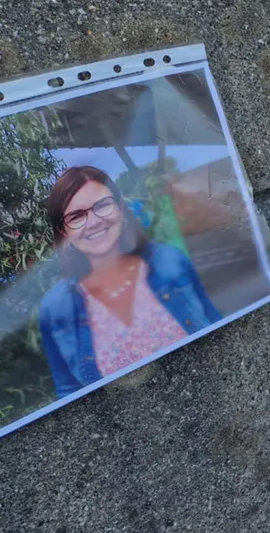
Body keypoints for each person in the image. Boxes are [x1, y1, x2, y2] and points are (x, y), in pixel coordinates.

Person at [38, 166, 222, 399]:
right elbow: (69, 395)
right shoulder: (55, 308)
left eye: (102, 205)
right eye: (76, 216)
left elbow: (217, 328)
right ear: (63, 232)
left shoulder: (169, 261)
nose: (93, 221)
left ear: (121, 208)